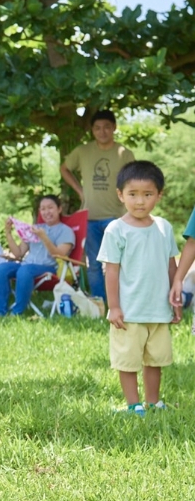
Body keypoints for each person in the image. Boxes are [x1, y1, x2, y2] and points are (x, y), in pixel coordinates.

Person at [99, 161, 180, 415]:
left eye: (148, 194)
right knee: (128, 361)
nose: (140, 201)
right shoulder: (116, 229)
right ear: (120, 194)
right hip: (129, 311)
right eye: (132, 194)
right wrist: (113, 306)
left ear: (159, 195)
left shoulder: (164, 227)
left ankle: (153, 401)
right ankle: (133, 404)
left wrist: (175, 301)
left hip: (158, 308)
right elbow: (111, 270)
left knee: (156, 359)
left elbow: (171, 266)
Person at [60, 110, 136, 301]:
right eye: (97, 128)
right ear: (92, 130)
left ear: (114, 128)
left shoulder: (125, 153)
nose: (102, 132)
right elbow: (64, 168)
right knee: (93, 264)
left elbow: (134, 181)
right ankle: (99, 302)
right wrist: (79, 190)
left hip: (117, 217)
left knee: (120, 262)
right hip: (90, 216)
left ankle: (122, 301)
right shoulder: (83, 151)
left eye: (107, 127)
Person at [0, 195, 75, 317]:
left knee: (25, 270)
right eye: (43, 209)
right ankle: (0, 311)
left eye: (50, 208)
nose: (46, 212)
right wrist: (8, 233)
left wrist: (44, 237)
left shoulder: (66, 231)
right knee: (2, 268)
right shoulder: (35, 228)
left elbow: (59, 255)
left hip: (49, 268)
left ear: (59, 209)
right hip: (26, 265)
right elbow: (18, 253)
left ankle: (17, 312)